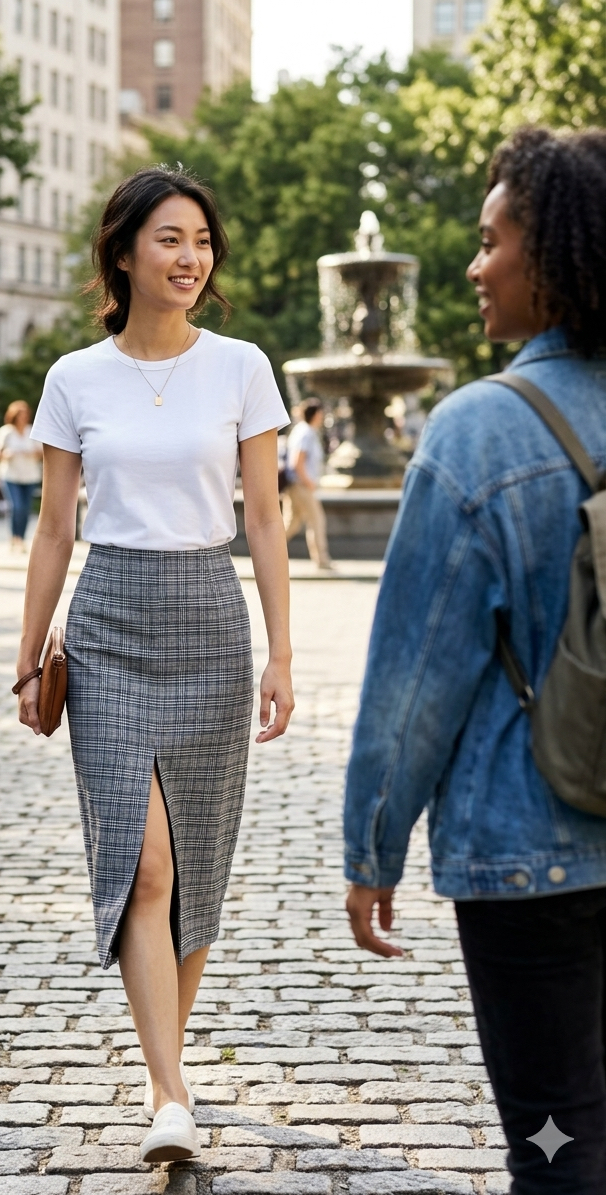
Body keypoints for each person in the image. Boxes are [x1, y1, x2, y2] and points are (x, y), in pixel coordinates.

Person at [343, 126, 606, 1195]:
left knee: (555, 1150)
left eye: (489, 239)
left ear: (548, 256)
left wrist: (371, 846)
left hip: (528, 859)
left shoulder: (476, 433)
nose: (471, 264)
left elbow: (415, 678)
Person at [15, 167, 294, 1165]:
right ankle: (168, 1089)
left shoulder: (241, 367)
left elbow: (263, 517)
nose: (189, 258)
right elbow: (53, 529)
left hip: (210, 627)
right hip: (109, 627)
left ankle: (162, 1058)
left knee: (197, 865)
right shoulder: (72, 378)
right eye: (169, 239)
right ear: (124, 251)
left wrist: (281, 652)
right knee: (143, 862)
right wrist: (26, 649)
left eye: (201, 242)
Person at [283, 401, 332, 569]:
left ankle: (267, 551)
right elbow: (298, 462)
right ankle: (322, 560)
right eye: (320, 413)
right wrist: (309, 482)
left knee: (292, 523)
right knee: (317, 520)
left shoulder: (302, 430)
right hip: (301, 485)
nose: (323, 417)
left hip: (296, 484)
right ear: (315, 414)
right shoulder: (306, 433)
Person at [0, 401, 43, 550]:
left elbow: (42, 452)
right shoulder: (6, 431)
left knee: (26, 508)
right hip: (10, 475)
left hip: (30, 476)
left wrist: (31, 453)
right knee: (16, 506)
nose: (23, 417)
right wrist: (7, 454)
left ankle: (21, 537)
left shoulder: (31, 431)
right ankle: (14, 536)